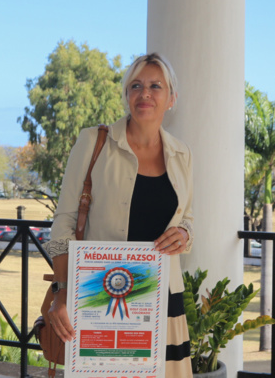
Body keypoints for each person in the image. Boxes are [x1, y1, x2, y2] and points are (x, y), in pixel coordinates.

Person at [43, 53, 195, 377]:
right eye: (136, 86)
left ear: (171, 99)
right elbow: (64, 222)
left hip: (162, 299)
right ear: (126, 95)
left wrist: (184, 234)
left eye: (156, 86)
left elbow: (187, 219)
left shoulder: (182, 154)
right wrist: (62, 290)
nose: (145, 94)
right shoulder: (94, 141)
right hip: (99, 297)